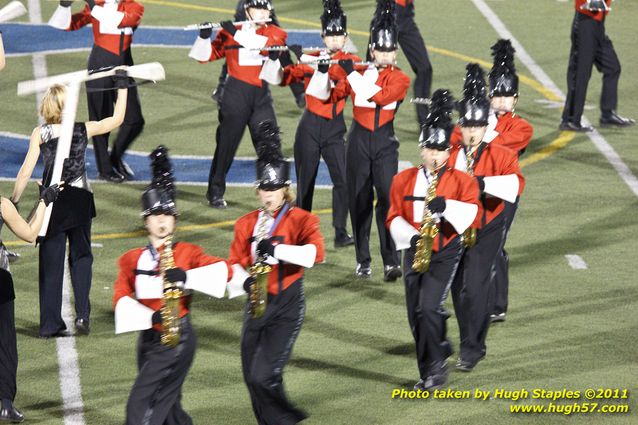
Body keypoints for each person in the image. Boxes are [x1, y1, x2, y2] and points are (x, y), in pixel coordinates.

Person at [113, 146, 232, 425]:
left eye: (167, 215)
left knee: (140, 409)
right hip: (149, 338)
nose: (162, 221)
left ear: (175, 220)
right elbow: (119, 298)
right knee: (169, 411)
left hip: (177, 340)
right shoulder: (131, 259)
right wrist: (151, 316)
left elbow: (224, 271)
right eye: (156, 216)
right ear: (146, 221)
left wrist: (187, 277)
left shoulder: (187, 253)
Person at [11, 75, 128, 338]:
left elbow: (25, 171)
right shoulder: (81, 129)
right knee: (82, 257)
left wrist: (14, 202)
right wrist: (122, 88)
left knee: (51, 262)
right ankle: (83, 315)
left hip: (52, 201)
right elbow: (116, 120)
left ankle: (50, 324)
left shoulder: (40, 133)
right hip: (80, 199)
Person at [228, 121, 324, 425]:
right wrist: (243, 281)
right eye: (264, 189)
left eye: (275, 189)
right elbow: (233, 262)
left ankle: (287, 419)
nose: (269, 195)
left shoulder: (302, 220)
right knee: (253, 378)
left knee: (262, 375)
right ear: (257, 191)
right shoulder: (246, 224)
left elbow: (313, 255)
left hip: (286, 304)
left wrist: (277, 250)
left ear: (286, 190)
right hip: (255, 304)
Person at [387, 89, 481, 391]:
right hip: (415, 249)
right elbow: (392, 216)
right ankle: (434, 353)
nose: (435, 156)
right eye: (429, 149)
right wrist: (414, 236)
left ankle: (434, 370)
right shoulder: (402, 180)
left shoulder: (461, 180)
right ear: (422, 150)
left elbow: (471, 213)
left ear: (447, 152)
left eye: (441, 151)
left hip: (445, 249)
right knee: (416, 315)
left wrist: (447, 206)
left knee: (428, 307)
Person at [450, 39, 534, 322]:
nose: (500, 100)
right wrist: (466, 116)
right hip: (472, 191)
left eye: (506, 95)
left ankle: (496, 304)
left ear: (516, 99)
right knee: (471, 245)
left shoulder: (520, 126)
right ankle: (471, 297)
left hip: (502, 192)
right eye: (495, 94)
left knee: (494, 244)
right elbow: (452, 141)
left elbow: (498, 143)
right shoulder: (479, 120)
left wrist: (475, 120)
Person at [449, 64, 525, 372]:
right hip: (456, 221)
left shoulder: (502, 149)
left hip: (489, 220)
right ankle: (467, 335)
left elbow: (515, 184)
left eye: (476, 126)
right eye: (466, 125)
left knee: (476, 285)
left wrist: (481, 184)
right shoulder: (453, 143)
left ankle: (473, 347)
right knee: (456, 288)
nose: (470, 132)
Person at [329, 0, 410, 280]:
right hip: (358, 142)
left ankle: (391, 261)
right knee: (359, 200)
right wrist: (327, 68)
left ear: (395, 52)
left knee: (388, 199)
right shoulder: (359, 72)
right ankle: (363, 259)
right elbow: (334, 94)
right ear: (373, 50)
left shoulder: (400, 79)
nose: (386, 55)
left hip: (386, 143)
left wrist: (351, 72)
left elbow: (381, 96)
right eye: (381, 50)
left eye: (391, 50)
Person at [188, 0, 287, 209]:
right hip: (234, 95)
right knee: (226, 146)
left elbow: (261, 45)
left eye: (264, 9)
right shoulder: (230, 33)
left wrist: (235, 30)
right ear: (247, 11)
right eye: (256, 9)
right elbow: (204, 57)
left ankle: (275, 191)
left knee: (270, 145)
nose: (260, 13)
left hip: (261, 96)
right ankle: (215, 192)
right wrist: (204, 37)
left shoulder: (276, 32)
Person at [276, 0, 356, 248]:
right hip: (309, 128)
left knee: (343, 181)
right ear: (322, 36)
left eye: (339, 35)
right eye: (330, 35)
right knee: (306, 183)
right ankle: (301, 235)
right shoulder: (311, 58)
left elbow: (337, 82)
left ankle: (341, 232)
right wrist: (281, 58)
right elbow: (287, 78)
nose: (334, 39)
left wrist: (307, 61)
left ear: (345, 37)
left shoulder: (350, 63)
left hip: (334, 129)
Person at [49, 0, 145, 181]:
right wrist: (64, 6)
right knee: (100, 120)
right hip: (99, 65)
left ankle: (115, 159)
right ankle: (105, 169)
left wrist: (93, 6)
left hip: (124, 70)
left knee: (134, 120)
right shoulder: (96, 7)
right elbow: (65, 24)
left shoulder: (135, 7)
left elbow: (117, 21)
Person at [1, 186, 61, 423]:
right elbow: (30, 234)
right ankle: (5, 404)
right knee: (5, 344)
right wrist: (44, 202)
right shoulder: (2, 204)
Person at [212, 0, 306, 108]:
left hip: (263, 6)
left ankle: (298, 91)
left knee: (278, 48)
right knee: (236, 49)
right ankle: (223, 89)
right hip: (247, 6)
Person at [560, 0, 634, 131]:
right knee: (581, 73)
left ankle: (607, 114)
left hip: (598, 25)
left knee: (613, 67)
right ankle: (571, 120)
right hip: (585, 23)